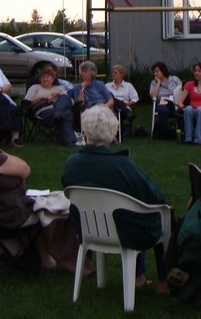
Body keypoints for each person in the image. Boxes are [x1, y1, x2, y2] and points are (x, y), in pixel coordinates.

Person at [0, 108, 80, 272]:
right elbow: (24, 169)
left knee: (39, 206)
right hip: (4, 218)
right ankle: (51, 259)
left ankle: (30, 253)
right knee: (53, 207)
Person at [62, 105, 168, 287]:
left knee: (130, 211)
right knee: (161, 215)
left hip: (87, 229)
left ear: (85, 131)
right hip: (124, 231)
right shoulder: (122, 166)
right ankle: (162, 282)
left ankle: (137, 276)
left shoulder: (71, 164)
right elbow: (155, 196)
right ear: (113, 133)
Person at [25, 66, 76, 146]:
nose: (45, 79)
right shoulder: (35, 88)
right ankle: (69, 141)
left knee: (65, 98)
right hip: (44, 111)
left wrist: (59, 94)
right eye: (43, 77)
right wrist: (43, 98)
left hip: (57, 108)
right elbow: (26, 102)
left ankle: (57, 114)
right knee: (67, 114)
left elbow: (70, 102)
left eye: (47, 77)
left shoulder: (59, 88)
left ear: (53, 79)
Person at [68, 60, 114, 132]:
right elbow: (80, 103)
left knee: (103, 113)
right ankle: (107, 136)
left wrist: (105, 106)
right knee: (97, 113)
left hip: (103, 107)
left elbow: (111, 100)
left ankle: (108, 135)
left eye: (85, 72)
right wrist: (82, 89)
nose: (82, 74)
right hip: (89, 110)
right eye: (82, 72)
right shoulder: (78, 87)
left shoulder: (100, 84)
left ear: (92, 74)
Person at [149, 61, 182, 139]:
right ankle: (165, 132)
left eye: (157, 71)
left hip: (175, 103)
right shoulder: (153, 83)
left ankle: (177, 131)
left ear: (163, 71)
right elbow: (153, 96)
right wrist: (158, 83)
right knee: (162, 110)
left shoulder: (174, 79)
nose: (155, 74)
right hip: (162, 104)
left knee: (181, 109)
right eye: (154, 72)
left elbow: (181, 91)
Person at [106, 64, 140, 135]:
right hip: (111, 107)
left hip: (125, 105)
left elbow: (135, 98)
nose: (113, 74)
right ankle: (127, 113)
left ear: (121, 74)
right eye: (112, 72)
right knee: (113, 98)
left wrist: (128, 104)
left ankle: (119, 132)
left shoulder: (128, 86)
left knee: (116, 102)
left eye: (115, 73)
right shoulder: (107, 86)